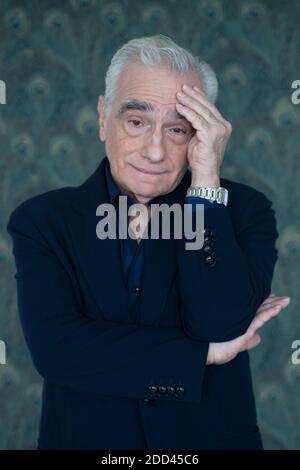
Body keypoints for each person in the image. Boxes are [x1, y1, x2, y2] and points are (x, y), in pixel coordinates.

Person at [7, 35, 290, 450]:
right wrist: (202, 357)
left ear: (201, 134)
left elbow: (220, 324)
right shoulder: (42, 221)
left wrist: (206, 185)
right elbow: (58, 349)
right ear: (104, 117)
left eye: (177, 128)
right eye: (136, 122)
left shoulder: (244, 210)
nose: (155, 151)